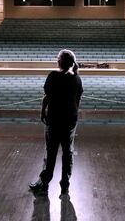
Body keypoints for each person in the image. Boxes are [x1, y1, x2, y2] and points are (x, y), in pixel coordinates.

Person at [29, 49, 83, 195]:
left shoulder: (53, 76)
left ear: (60, 61)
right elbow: (77, 100)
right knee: (68, 153)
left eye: (58, 58)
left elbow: (47, 97)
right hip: (70, 121)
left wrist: (42, 112)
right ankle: (65, 184)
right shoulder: (77, 79)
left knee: (50, 152)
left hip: (54, 120)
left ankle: (44, 183)